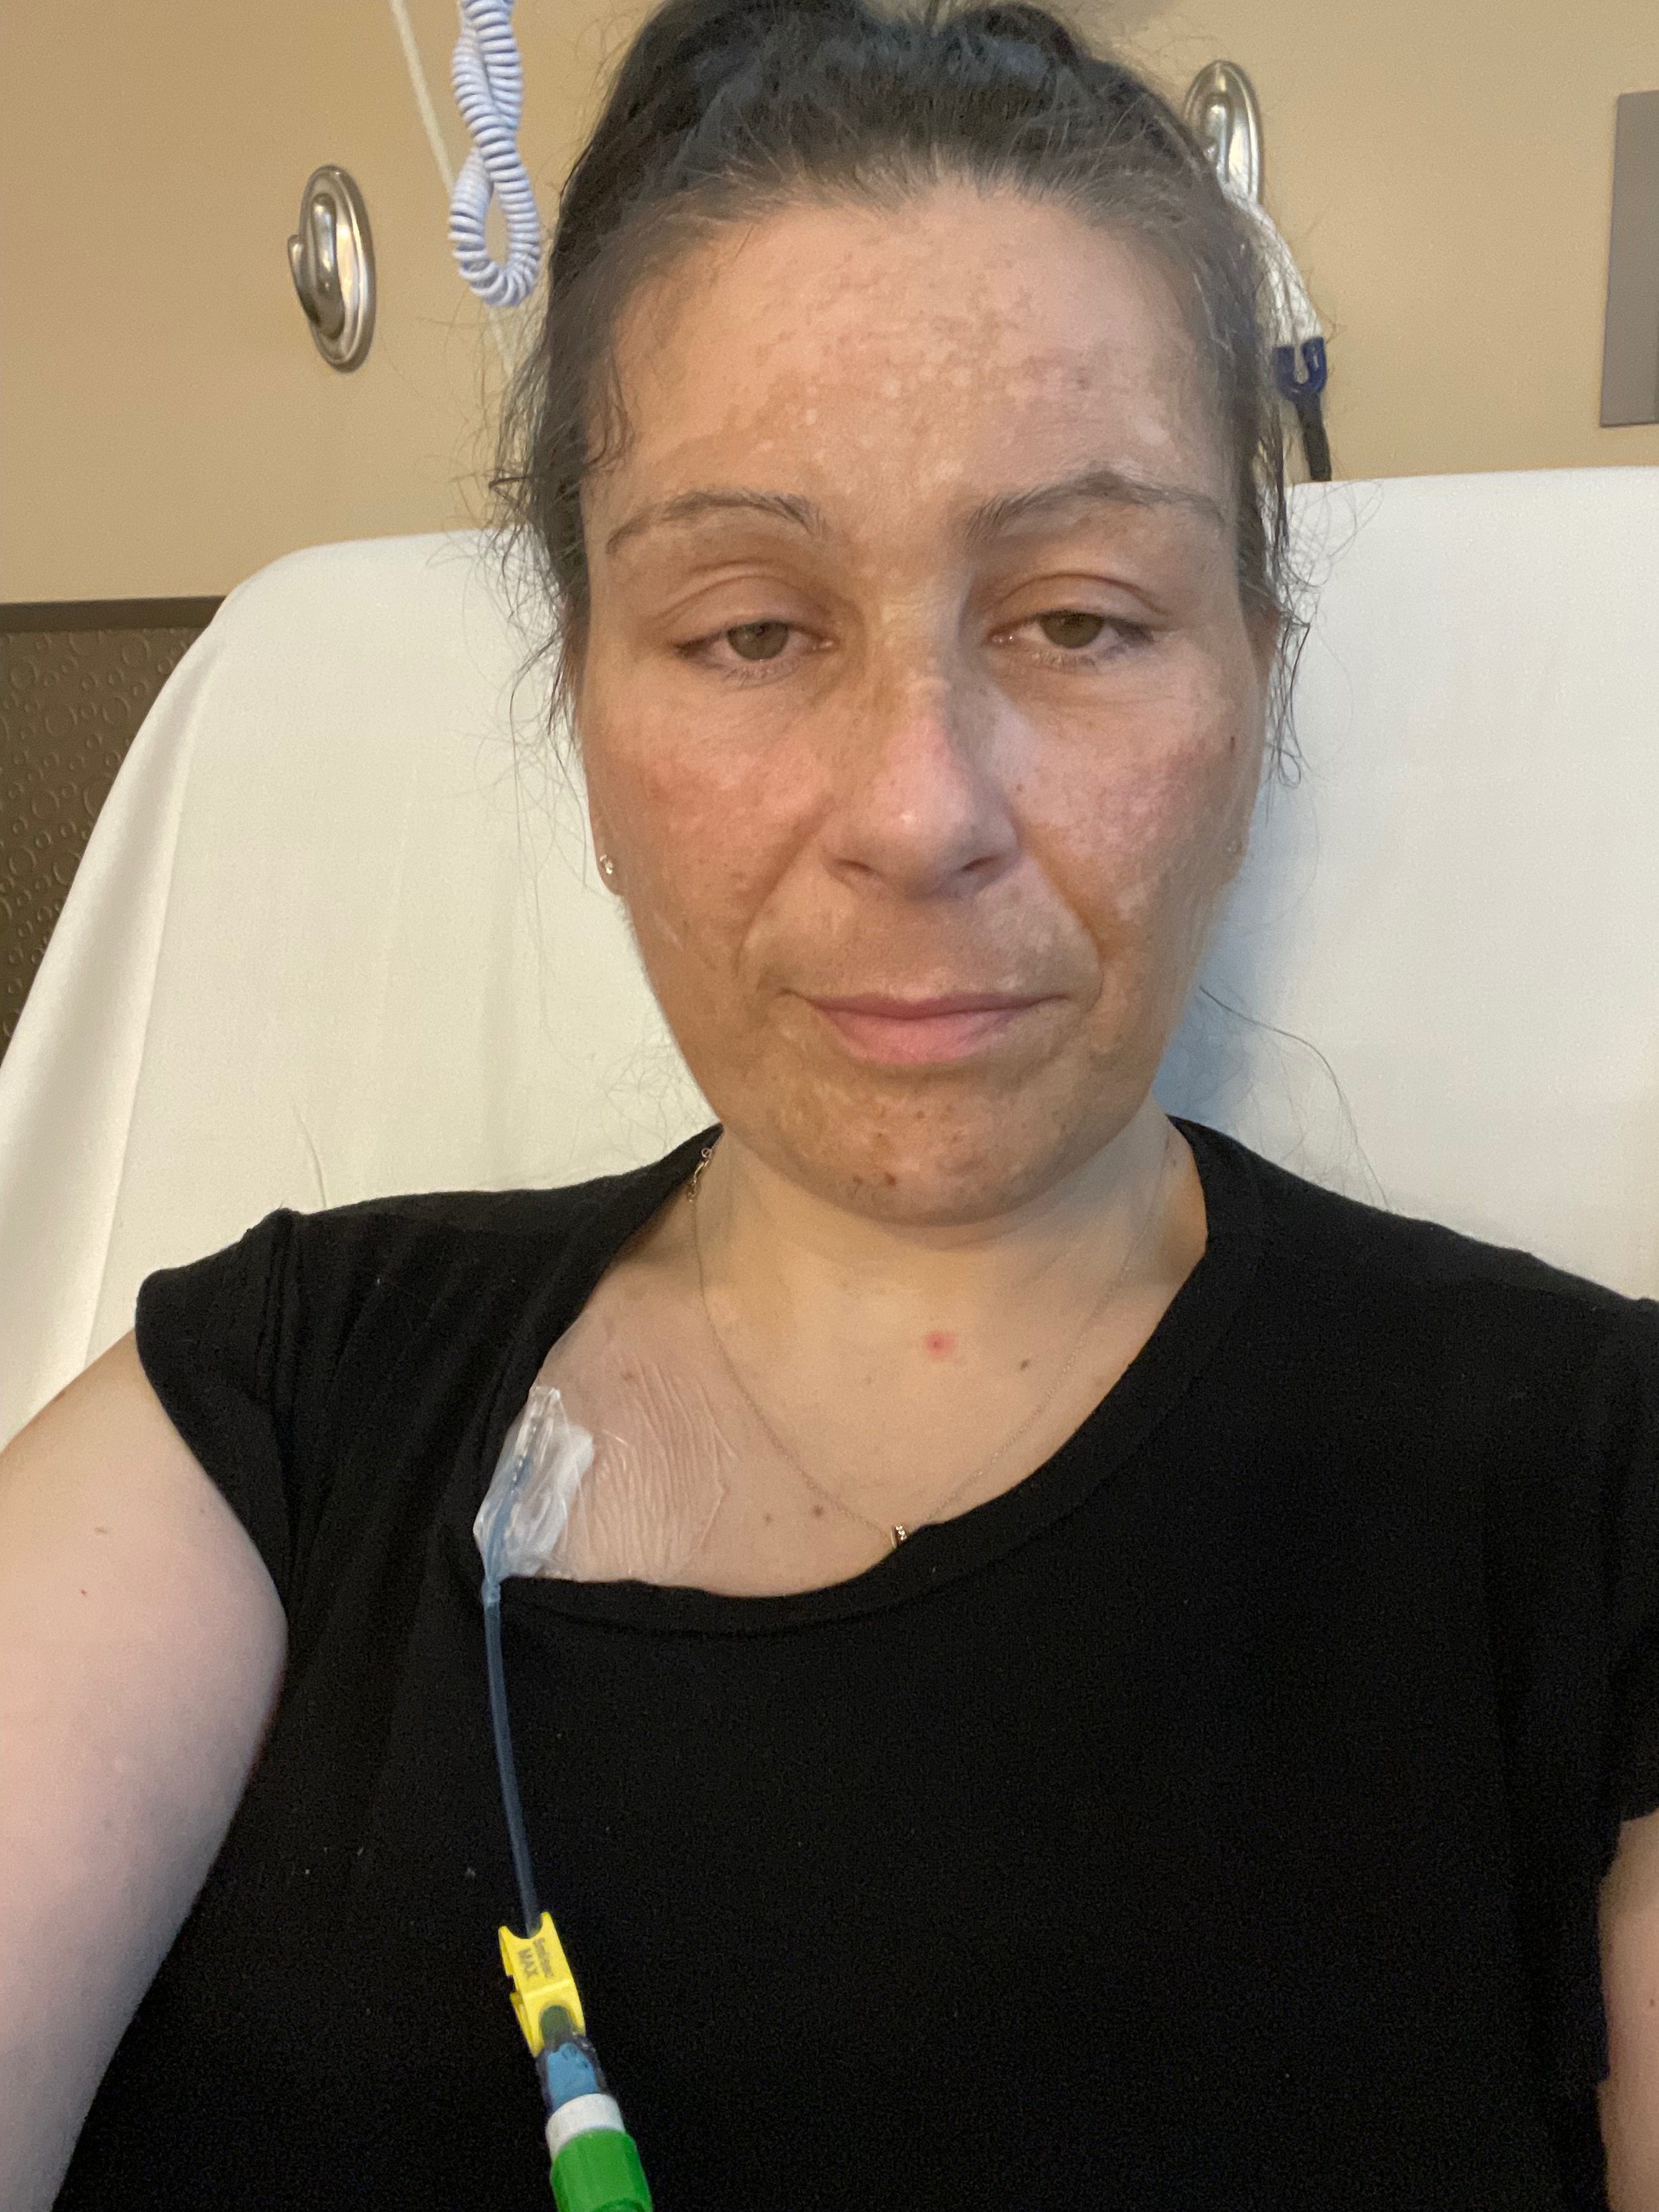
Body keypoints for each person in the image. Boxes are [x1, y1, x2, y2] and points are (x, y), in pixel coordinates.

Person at [4, 1, 1659, 2206]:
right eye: (752, 632)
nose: (916, 811)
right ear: (581, 714)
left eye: (1077, 618)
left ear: (1254, 683)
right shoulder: (272, 1424)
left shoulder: (1592, 1489)